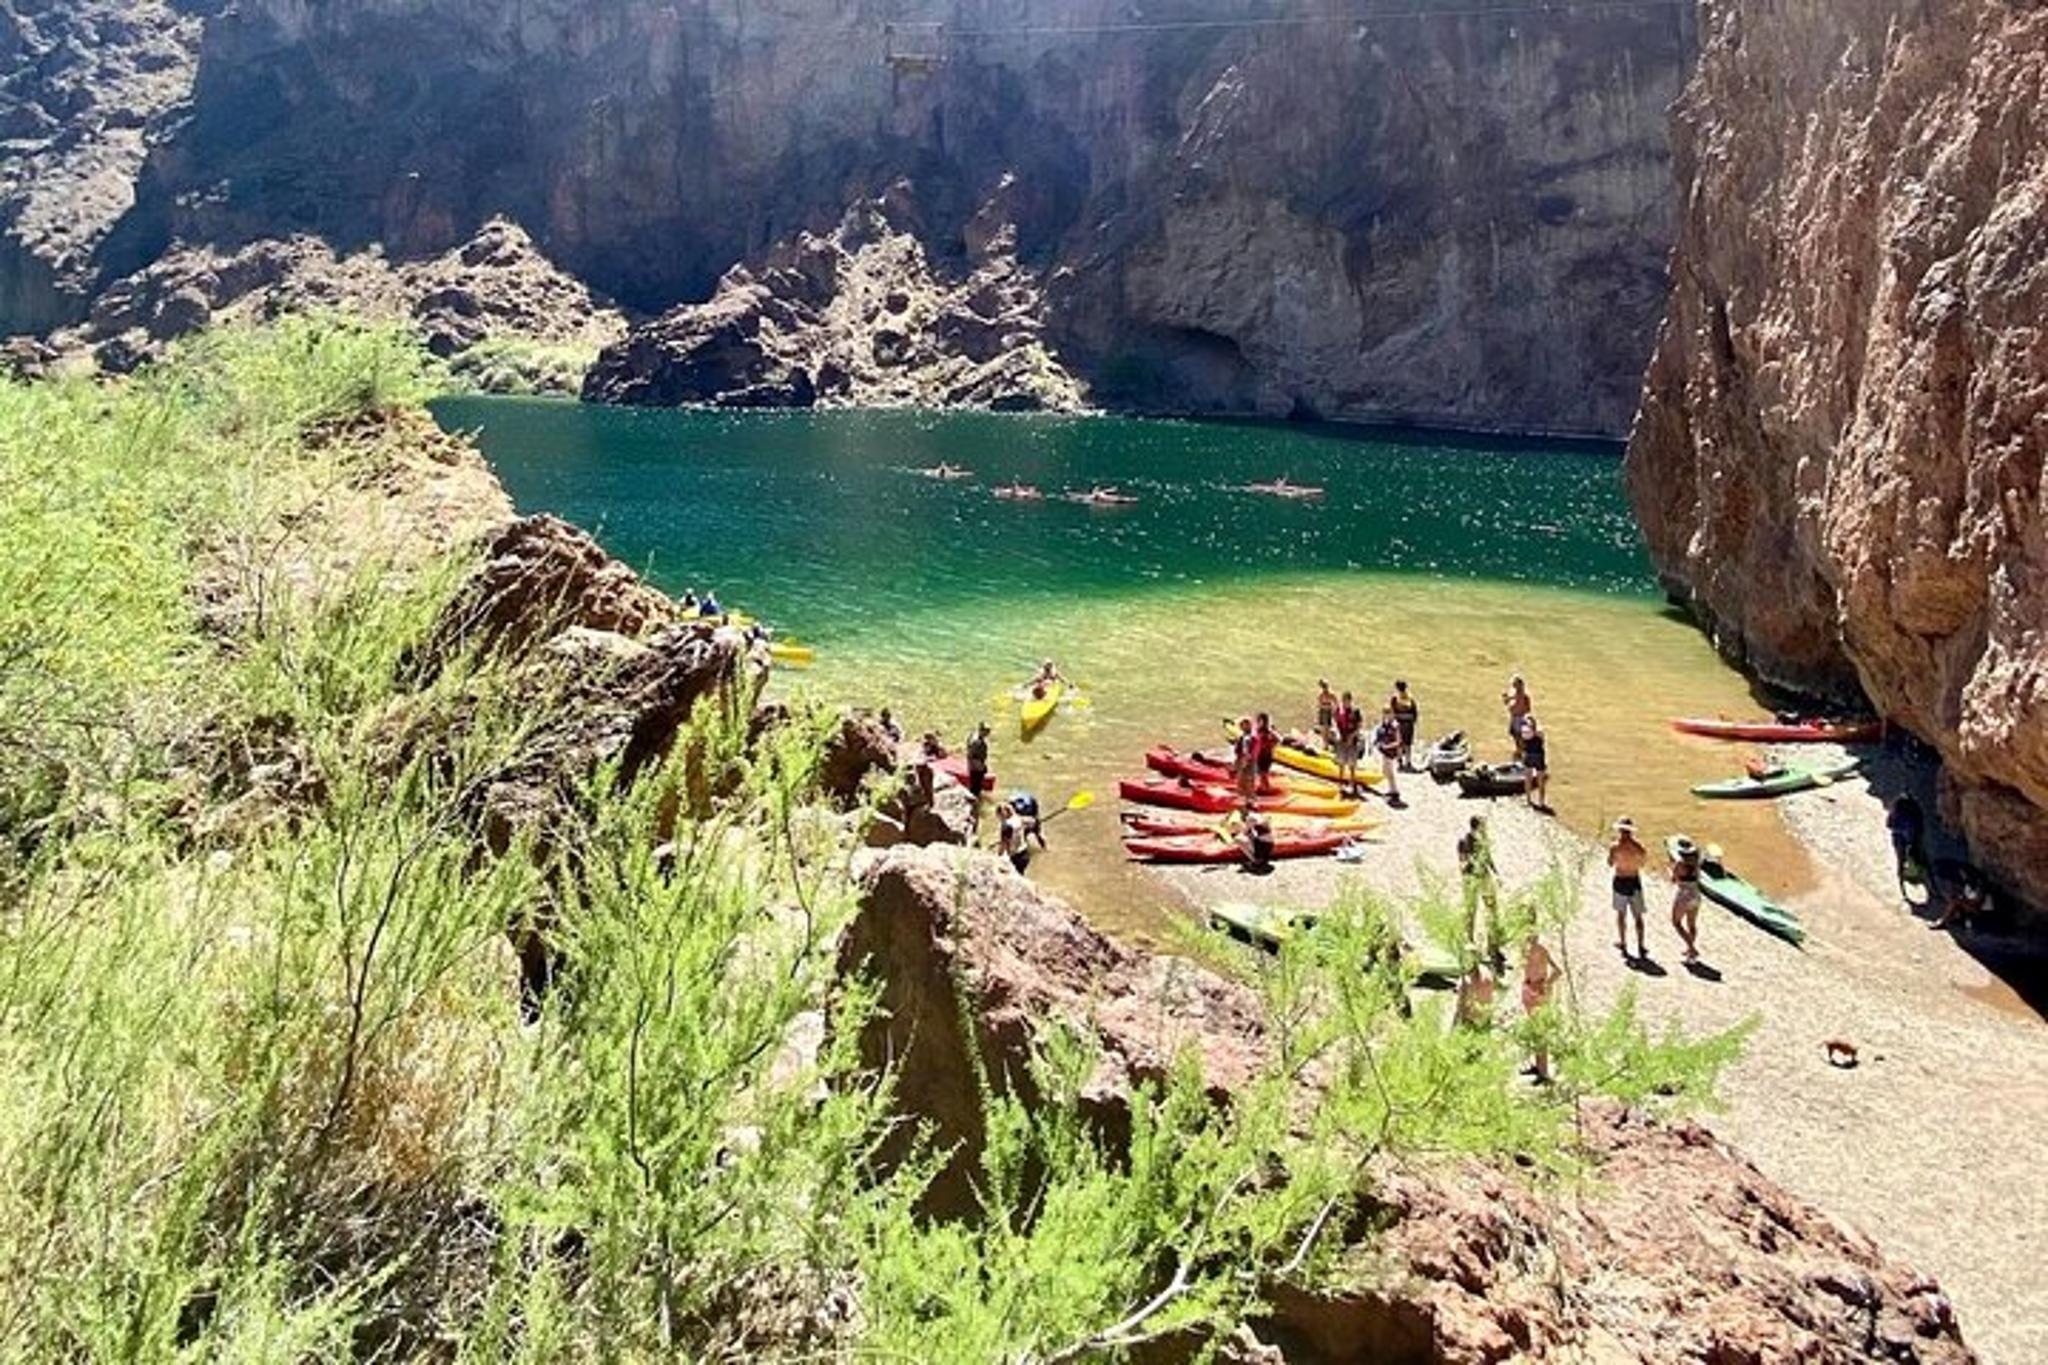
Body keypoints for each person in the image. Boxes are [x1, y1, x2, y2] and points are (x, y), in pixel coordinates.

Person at [1458, 815, 1501, 964]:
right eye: (1483, 826)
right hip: (1471, 878)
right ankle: (1469, 941)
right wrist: (1472, 862)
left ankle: (1492, 945)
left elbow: (1488, 858)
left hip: (1485, 877)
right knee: (1471, 910)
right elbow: (1462, 864)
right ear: (1476, 827)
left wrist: (1496, 874)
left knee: (1492, 909)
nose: (1485, 829)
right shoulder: (1464, 841)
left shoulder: (1484, 840)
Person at [1608, 817, 1649, 959]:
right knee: (1638, 916)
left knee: (1621, 914)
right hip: (1634, 880)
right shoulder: (1638, 847)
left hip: (1620, 880)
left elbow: (1610, 863)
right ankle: (1641, 945)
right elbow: (1642, 863)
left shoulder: (1615, 847)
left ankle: (1623, 942)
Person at [1669, 834, 1703, 963]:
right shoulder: (1697, 863)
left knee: (1676, 922)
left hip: (1684, 894)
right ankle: (1689, 951)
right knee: (1692, 924)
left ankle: (1691, 948)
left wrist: (1671, 870)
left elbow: (1674, 879)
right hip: (1696, 894)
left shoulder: (1680, 863)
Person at [1887, 795, 1927, 896]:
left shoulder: (1897, 807)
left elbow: (1889, 824)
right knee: (1917, 855)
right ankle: (1920, 875)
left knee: (1901, 858)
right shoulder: (1914, 808)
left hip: (1900, 836)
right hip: (1911, 836)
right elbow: (1920, 823)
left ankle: (1902, 878)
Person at [1932, 864, 1990, 931]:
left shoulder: (1980, 888)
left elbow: (1976, 902)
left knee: (1955, 901)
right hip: (1970, 906)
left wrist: (1963, 901)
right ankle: (1949, 919)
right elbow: (1966, 896)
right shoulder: (1969, 884)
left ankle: (1943, 921)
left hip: (1978, 910)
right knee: (1955, 901)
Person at [997, 801, 1045, 874]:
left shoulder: (1006, 826)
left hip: (1016, 856)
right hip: (1025, 852)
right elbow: (1033, 821)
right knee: (1021, 873)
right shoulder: (1018, 819)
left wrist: (998, 857)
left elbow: (1003, 844)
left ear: (1001, 814)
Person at [1333, 692, 1365, 796]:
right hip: (1342, 740)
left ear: (1350, 701)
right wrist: (1337, 734)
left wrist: (1352, 736)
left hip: (1352, 741)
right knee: (1341, 763)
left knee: (1352, 764)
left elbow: (1359, 726)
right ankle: (1340, 783)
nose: (1345, 703)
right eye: (1344, 700)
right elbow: (1336, 723)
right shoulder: (1339, 711)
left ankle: (1352, 783)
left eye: (1347, 701)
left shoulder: (1355, 711)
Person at [1374, 709, 1405, 807]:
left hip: (1391, 753)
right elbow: (1380, 735)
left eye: (1388, 713)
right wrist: (1378, 744)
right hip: (1384, 752)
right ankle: (1392, 790)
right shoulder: (1384, 724)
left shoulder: (1395, 726)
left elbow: (1398, 741)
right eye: (1385, 713)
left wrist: (1387, 746)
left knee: (1390, 772)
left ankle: (1394, 791)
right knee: (1385, 771)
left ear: (1392, 714)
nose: (1386, 715)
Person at [1520, 714, 1550, 810]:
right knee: (1532, 779)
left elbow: (1538, 737)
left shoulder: (1533, 731)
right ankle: (1533, 800)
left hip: (1534, 756)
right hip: (1534, 756)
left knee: (1536, 780)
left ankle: (1536, 801)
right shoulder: (1530, 731)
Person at [1389, 680, 1420, 771]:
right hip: (1408, 724)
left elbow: (1392, 712)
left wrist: (1393, 723)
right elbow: (1415, 713)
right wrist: (1413, 721)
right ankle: (1408, 762)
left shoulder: (1395, 699)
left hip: (1400, 724)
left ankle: (1400, 763)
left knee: (1399, 744)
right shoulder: (1410, 699)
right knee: (1408, 745)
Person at [1236, 806, 1276, 870]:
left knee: (1238, 839)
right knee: (1248, 837)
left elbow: (1244, 832)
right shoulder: (1258, 816)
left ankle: (1255, 861)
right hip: (1268, 844)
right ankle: (1259, 859)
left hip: (1263, 845)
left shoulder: (1250, 818)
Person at [1503, 674, 1532, 759]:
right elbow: (1507, 702)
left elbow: (1528, 708)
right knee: (1514, 734)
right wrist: (1506, 699)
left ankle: (1521, 751)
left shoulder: (1523, 695)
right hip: (1514, 717)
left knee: (1519, 735)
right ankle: (1518, 750)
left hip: (1519, 717)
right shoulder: (1513, 693)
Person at [1231, 717, 1260, 801]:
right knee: (1240, 781)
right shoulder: (1242, 737)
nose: (1242, 727)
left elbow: (1254, 751)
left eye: (1244, 725)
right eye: (1242, 725)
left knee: (1249, 781)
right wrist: (1237, 761)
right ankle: (1243, 798)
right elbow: (1238, 751)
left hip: (1250, 762)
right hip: (1243, 760)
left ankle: (1251, 799)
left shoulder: (1254, 738)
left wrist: (1247, 760)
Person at [965, 721, 991, 809]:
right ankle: (974, 804)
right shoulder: (976, 742)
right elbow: (972, 756)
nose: (987, 733)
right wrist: (981, 766)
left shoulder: (973, 736)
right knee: (975, 786)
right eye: (986, 731)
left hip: (976, 764)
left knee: (975, 784)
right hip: (976, 766)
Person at [1253, 712, 1279, 791]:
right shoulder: (1259, 731)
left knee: (1263, 772)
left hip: (1265, 755)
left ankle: (1264, 787)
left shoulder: (1267, 732)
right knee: (1262, 772)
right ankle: (1264, 786)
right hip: (1261, 754)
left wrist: (1270, 746)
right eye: (1259, 721)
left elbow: (1276, 740)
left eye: (1262, 721)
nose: (1260, 723)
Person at [1315, 679, 1338, 746]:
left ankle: (1326, 741)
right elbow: (1319, 704)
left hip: (1328, 711)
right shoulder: (1321, 695)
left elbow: (1336, 702)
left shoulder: (1330, 694)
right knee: (1323, 727)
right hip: (1323, 711)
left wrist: (1332, 709)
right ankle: (1324, 742)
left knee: (1327, 727)